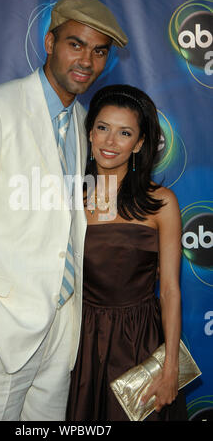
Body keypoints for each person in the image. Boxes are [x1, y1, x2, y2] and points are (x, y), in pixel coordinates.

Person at [0, 0, 128, 421]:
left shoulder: (81, 123)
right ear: (49, 41)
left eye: (99, 51)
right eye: (76, 44)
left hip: (61, 329)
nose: (87, 61)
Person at [66, 84, 188, 421]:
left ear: (139, 144)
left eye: (124, 133)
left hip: (140, 341)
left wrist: (170, 367)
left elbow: (171, 290)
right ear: (89, 132)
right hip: (78, 343)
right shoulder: (67, 199)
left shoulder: (161, 202)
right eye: (103, 128)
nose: (109, 142)